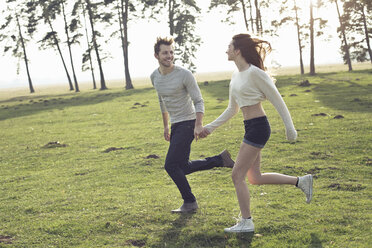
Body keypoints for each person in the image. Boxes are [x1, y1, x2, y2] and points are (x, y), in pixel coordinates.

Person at [199, 33, 313, 232]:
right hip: (250, 127)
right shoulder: (235, 77)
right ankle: (300, 181)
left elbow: (277, 100)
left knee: (237, 176)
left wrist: (290, 128)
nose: (226, 50)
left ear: (237, 50)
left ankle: (246, 222)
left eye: (229, 46)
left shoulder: (255, 73)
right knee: (255, 177)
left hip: (259, 127)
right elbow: (232, 109)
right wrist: (210, 127)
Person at [150, 37, 235, 213]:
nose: (169, 56)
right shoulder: (154, 77)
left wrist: (198, 124)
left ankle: (189, 202)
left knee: (170, 165)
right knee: (183, 167)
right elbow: (162, 101)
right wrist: (166, 126)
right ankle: (220, 160)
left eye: (171, 52)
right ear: (156, 55)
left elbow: (198, 101)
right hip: (175, 125)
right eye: (165, 52)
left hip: (188, 123)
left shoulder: (184, 74)